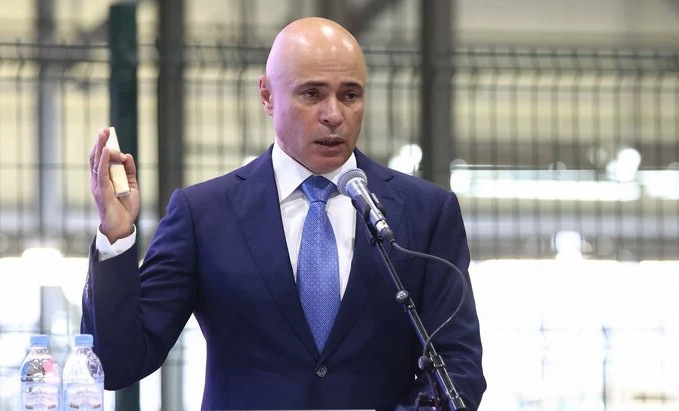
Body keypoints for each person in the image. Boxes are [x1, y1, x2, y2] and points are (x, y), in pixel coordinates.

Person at [83, 17, 486, 410]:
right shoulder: (203, 215)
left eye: (350, 95)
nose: (333, 114)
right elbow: (117, 364)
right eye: (311, 94)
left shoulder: (426, 213)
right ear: (267, 96)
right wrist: (115, 237)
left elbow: (458, 367)